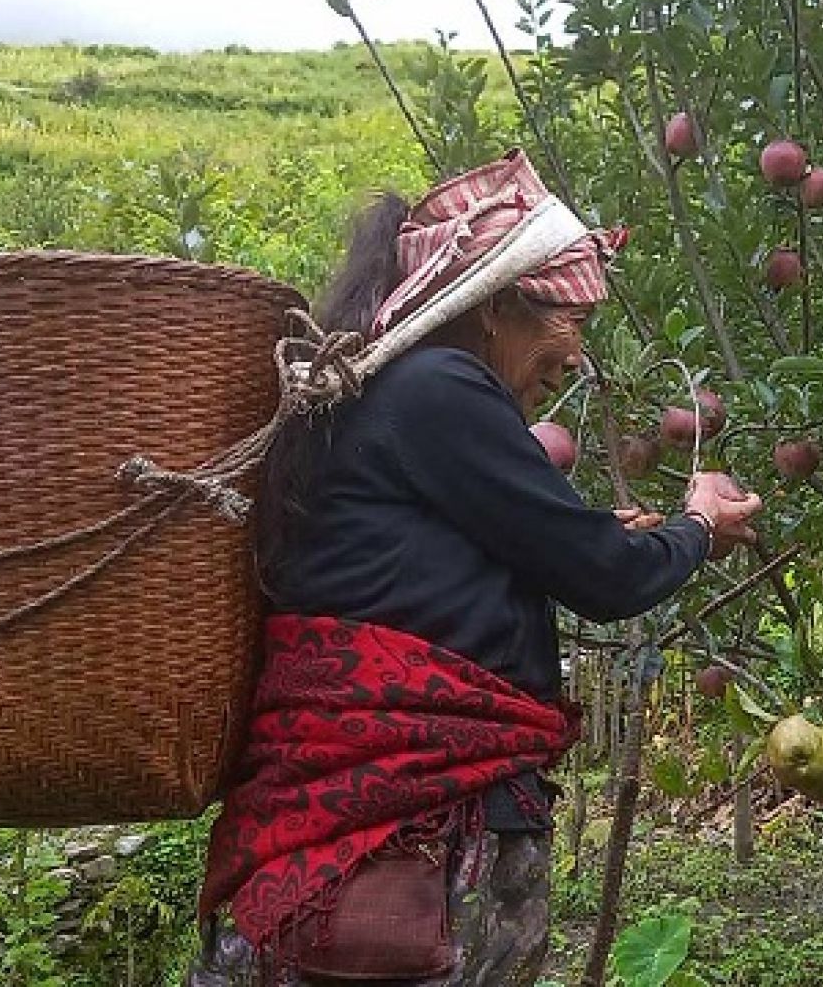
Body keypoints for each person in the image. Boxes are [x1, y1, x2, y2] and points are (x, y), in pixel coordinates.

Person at [187, 149, 762, 986]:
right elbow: (607, 579)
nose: (575, 359)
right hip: (418, 819)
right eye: (571, 324)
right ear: (496, 307)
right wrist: (697, 528)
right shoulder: (440, 387)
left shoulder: (381, 395)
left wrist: (595, 532)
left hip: (350, 807)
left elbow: (424, 566)